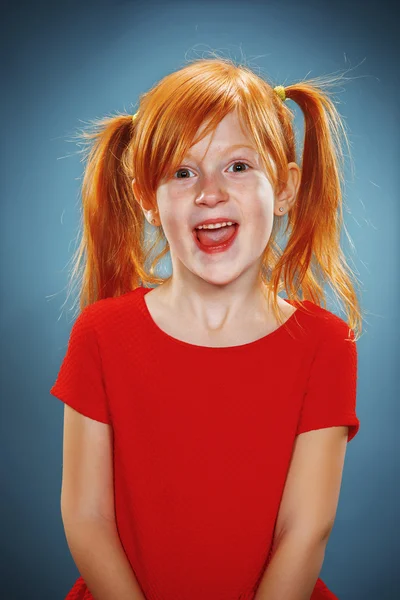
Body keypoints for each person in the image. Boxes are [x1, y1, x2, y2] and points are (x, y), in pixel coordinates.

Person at [50, 57, 362, 600]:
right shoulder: (100, 333)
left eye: (238, 166)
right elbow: (86, 517)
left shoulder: (325, 344)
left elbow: (305, 530)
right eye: (182, 172)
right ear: (148, 200)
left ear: (285, 188)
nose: (209, 192)